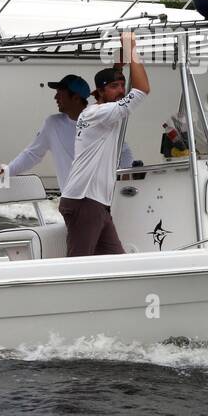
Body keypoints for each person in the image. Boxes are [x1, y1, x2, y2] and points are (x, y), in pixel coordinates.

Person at [59, 33, 149, 257]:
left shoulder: (104, 111)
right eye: (114, 87)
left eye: (122, 85)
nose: (121, 90)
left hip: (97, 203)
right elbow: (142, 90)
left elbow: (119, 76)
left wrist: (123, 54)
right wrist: (133, 48)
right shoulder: (101, 113)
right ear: (99, 92)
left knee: (116, 261)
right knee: (78, 265)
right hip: (84, 201)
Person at [0, 74, 132, 183]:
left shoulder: (100, 120)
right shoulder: (52, 124)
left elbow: (123, 152)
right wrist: (7, 170)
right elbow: (32, 154)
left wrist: (126, 179)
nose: (55, 97)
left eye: (60, 94)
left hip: (105, 198)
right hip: (75, 201)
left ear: (75, 98)